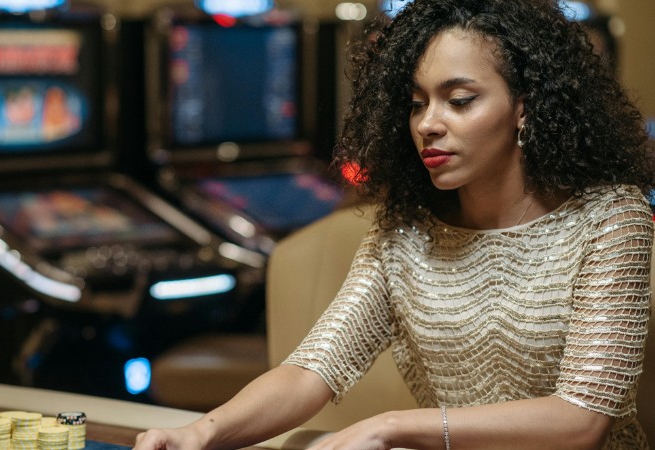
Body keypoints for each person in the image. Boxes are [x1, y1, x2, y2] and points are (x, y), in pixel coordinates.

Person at [134, 0, 655, 448]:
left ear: (525, 106)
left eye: (459, 100)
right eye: (416, 103)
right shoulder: (404, 234)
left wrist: (393, 427)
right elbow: (313, 370)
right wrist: (201, 432)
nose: (428, 123)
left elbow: (582, 420)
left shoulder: (610, 218)